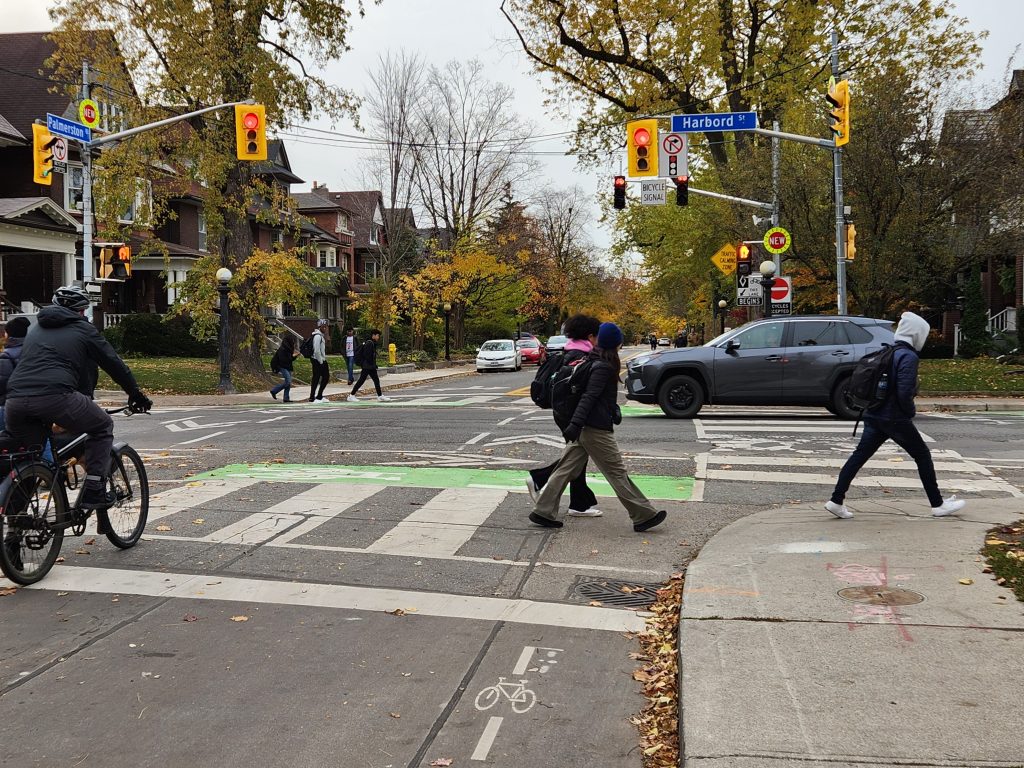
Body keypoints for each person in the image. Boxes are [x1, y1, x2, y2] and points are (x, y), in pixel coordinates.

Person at [4, 286, 152, 514]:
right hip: (55, 396)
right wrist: (135, 394)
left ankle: (13, 532)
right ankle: (94, 490)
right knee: (102, 426)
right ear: (81, 311)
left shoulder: (35, 328)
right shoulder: (84, 329)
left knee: (33, 459)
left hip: (15, 401)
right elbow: (113, 363)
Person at [825, 311, 966, 520]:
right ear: (917, 335)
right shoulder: (908, 356)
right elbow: (904, 390)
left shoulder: (888, 352)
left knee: (859, 456)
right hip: (894, 417)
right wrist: (909, 412)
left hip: (874, 414)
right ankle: (938, 504)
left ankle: (836, 500)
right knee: (922, 455)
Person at [529, 322, 667, 532]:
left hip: (584, 427)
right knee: (616, 472)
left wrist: (584, 422)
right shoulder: (603, 366)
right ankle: (643, 515)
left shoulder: (593, 360)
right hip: (594, 428)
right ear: (616, 343)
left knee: (565, 469)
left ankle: (543, 511)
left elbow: (595, 397)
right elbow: (589, 397)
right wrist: (576, 424)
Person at [524, 314, 601, 517]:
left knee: (577, 455)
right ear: (590, 336)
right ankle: (540, 478)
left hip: (564, 412)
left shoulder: (569, 350)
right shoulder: (581, 355)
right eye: (597, 336)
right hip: (572, 414)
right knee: (575, 456)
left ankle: (579, 502)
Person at [0, 316, 30, 433]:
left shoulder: (6, 355)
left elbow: (2, 383)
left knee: (6, 439)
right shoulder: (35, 351)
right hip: (36, 402)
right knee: (38, 439)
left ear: (8, 334)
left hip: (10, 404)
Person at [348, 329, 391, 402]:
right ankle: (351, 395)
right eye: (377, 336)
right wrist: (372, 364)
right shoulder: (369, 343)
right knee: (362, 380)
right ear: (373, 335)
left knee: (375, 380)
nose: (378, 337)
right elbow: (367, 355)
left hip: (369, 366)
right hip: (367, 366)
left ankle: (380, 395)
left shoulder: (371, 343)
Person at [269, 334, 298, 402]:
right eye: (292, 341)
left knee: (288, 383)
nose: (293, 343)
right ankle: (274, 390)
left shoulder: (289, 349)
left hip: (288, 366)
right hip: (282, 366)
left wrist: (295, 356)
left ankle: (286, 398)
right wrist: (293, 356)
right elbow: (284, 360)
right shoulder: (282, 349)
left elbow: (290, 359)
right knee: (288, 381)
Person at [308, 319, 330, 403]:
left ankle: (318, 396)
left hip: (320, 360)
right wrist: (321, 361)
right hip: (317, 360)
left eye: (326, 327)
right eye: (323, 326)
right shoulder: (317, 336)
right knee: (318, 378)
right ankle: (314, 397)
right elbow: (316, 351)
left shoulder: (320, 336)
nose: (325, 328)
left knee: (322, 377)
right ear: (319, 327)